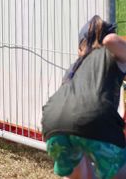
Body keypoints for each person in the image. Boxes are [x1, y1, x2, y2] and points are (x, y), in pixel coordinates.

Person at [42, 16, 126, 179]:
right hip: (93, 119)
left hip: (53, 122)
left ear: (81, 47)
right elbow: (110, 41)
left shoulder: (75, 68)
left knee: (80, 175)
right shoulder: (111, 54)